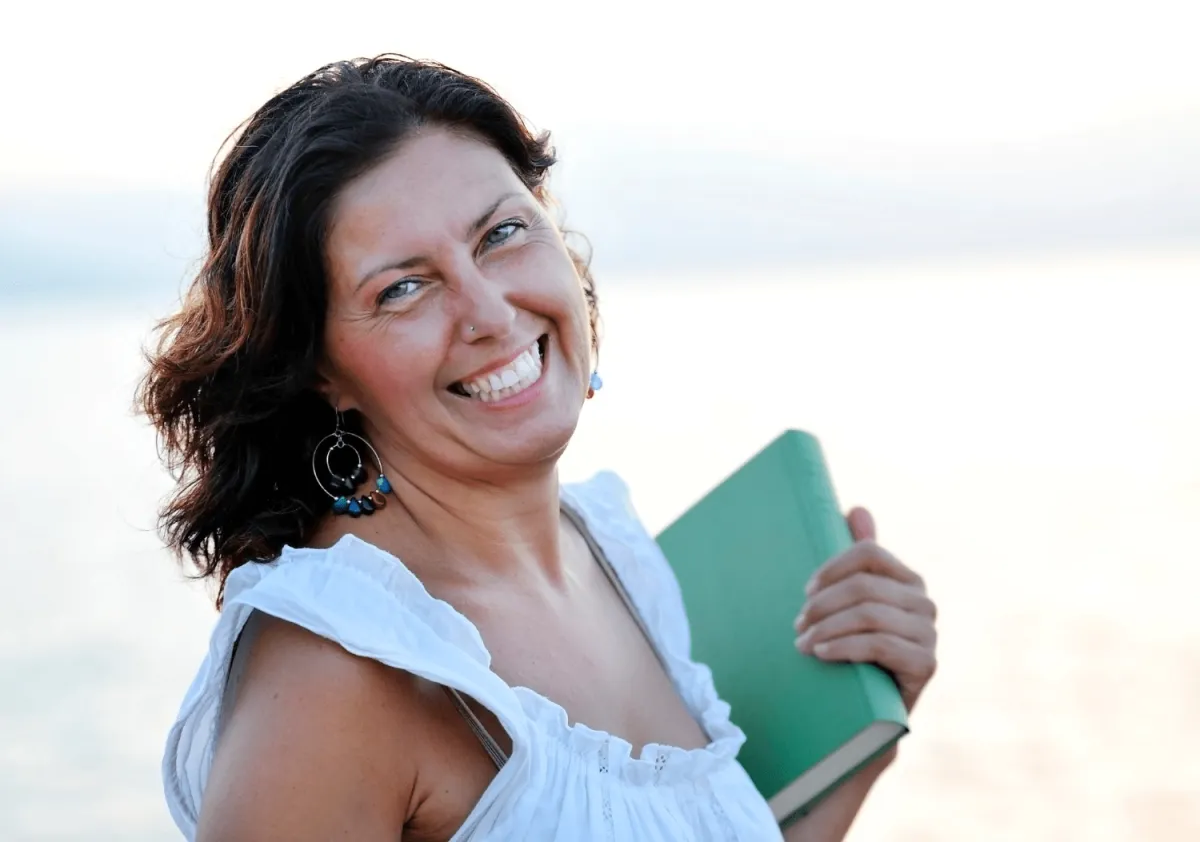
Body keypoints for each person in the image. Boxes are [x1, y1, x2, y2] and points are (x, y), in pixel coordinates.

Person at [141, 54, 939, 842]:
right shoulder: (338, 671)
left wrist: (868, 724)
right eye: (403, 288)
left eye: (503, 233)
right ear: (320, 370)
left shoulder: (614, 553)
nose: (488, 311)